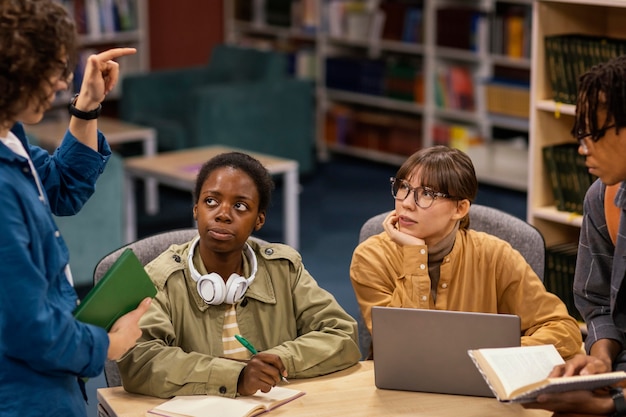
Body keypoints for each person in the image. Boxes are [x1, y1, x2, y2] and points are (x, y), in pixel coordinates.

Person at [0, 1, 151, 416]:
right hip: (23, 394)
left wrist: (87, 106)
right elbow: (29, 329)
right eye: (53, 70)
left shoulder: (9, 136)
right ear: (16, 73)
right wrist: (110, 344)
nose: (63, 82)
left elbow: (63, 187)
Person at [117, 151, 361, 398]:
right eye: (211, 201)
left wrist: (280, 361)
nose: (223, 214)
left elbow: (342, 334)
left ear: (259, 220)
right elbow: (141, 361)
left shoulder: (283, 269)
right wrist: (235, 378)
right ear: (195, 209)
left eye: (240, 206)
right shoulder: (161, 278)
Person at [350, 145, 583, 360]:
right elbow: (405, 346)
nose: (407, 203)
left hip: (479, 388)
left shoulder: (495, 255)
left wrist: (493, 356)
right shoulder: (372, 257)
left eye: (427, 194)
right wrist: (414, 255)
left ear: (460, 208)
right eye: (404, 188)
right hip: (401, 390)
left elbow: (563, 329)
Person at [522, 56, 626, 417]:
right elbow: (597, 302)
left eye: (592, 132)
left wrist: (611, 404)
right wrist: (599, 359)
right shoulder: (604, 197)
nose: (582, 147)